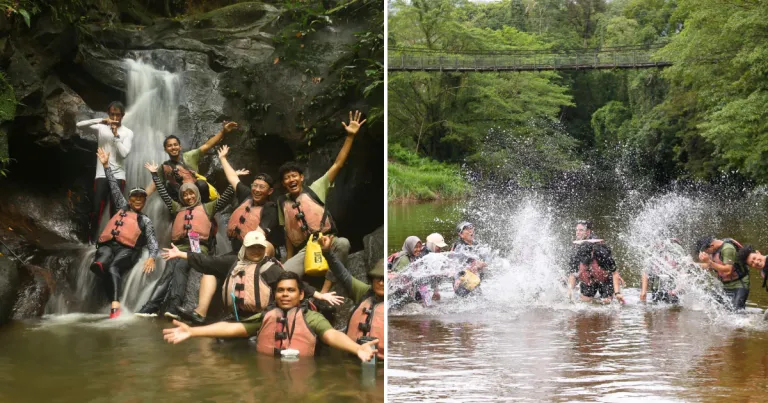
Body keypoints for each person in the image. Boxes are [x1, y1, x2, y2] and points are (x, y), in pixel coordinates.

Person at [162, 271, 379, 362]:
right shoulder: (266, 316)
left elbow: (331, 335)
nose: (285, 294)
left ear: (301, 294)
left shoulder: (311, 318)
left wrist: (357, 348)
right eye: (281, 290)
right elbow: (232, 329)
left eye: (291, 290)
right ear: (275, 294)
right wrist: (192, 331)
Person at [156, 230, 343, 325]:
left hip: (262, 317)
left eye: (259, 248)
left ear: (264, 249)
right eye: (252, 248)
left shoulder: (270, 268)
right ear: (245, 248)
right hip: (238, 316)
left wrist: (320, 296)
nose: (255, 251)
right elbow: (207, 261)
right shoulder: (233, 263)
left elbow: (296, 284)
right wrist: (181, 255)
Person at [278, 111, 366, 293]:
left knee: (343, 243)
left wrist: (350, 136)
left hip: (327, 241)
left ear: (301, 178)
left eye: (294, 175)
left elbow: (337, 164)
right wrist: (288, 258)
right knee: (282, 273)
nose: (291, 179)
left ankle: (325, 292)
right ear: (283, 183)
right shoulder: (282, 203)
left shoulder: (316, 188)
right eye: (287, 178)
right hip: (304, 250)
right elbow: (288, 232)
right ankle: (306, 293)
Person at [135, 161, 234, 317]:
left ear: (197, 194)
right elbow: (163, 193)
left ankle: (174, 306)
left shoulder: (208, 207)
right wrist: (154, 174)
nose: (188, 197)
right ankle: (151, 306)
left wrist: (235, 179)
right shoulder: (177, 208)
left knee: (181, 266)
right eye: (185, 194)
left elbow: (227, 196)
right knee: (168, 271)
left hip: (199, 248)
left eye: (191, 193)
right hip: (178, 247)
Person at [89, 148, 158, 319]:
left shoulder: (145, 220)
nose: (138, 201)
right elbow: (113, 186)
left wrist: (152, 257)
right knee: (102, 258)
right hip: (109, 244)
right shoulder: (121, 206)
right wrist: (106, 166)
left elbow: (152, 241)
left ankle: (115, 306)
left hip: (128, 250)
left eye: (141, 198)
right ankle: (100, 265)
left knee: (113, 267)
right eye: (135, 198)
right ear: (129, 199)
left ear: (144, 201)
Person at [76, 101, 134, 244]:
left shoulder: (128, 132)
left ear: (123, 115)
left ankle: (112, 240)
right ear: (108, 114)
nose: (115, 117)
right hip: (101, 174)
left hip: (119, 175)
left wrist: (115, 135)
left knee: (115, 211)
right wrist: (102, 120)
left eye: (118, 115)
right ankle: (92, 241)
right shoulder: (101, 128)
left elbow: (124, 154)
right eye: (112, 114)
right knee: (96, 209)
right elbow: (79, 125)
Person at [321, 235, 384, 360]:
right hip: (355, 356)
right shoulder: (364, 292)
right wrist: (327, 252)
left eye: (385, 279)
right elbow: (342, 274)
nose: (381, 283)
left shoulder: (398, 301)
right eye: (378, 278)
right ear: (372, 280)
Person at [145, 121, 238, 202]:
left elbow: (207, 145)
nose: (173, 147)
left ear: (180, 147)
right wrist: (139, 198)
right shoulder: (164, 167)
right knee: (168, 185)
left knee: (201, 184)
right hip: (180, 200)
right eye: (169, 146)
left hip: (199, 196)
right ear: (165, 149)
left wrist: (223, 131)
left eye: (175, 145)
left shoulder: (190, 156)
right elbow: (153, 186)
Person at [217, 145, 282, 253]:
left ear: (270, 191)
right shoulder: (247, 195)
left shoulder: (270, 209)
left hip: (254, 252)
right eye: (255, 185)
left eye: (261, 187)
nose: (257, 190)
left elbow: (259, 235)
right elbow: (233, 178)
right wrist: (223, 158)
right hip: (236, 248)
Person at [567, 220, 625, 304]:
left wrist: (617, 293)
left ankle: (608, 295)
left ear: (588, 232)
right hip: (588, 280)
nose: (577, 232)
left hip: (605, 280)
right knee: (585, 304)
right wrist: (569, 292)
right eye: (576, 230)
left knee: (607, 305)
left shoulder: (600, 250)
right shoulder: (575, 252)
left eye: (581, 230)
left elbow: (614, 272)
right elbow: (572, 274)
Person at [697, 236, 749, 310]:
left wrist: (709, 261)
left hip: (739, 284)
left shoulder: (728, 249)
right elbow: (710, 267)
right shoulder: (715, 250)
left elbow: (728, 270)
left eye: (707, 251)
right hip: (725, 285)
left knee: (738, 311)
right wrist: (693, 264)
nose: (707, 254)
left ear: (711, 246)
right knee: (713, 305)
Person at [640, 238, 685, 304]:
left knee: (675, 306)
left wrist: (676, 290)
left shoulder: (676, 249)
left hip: (674, 284)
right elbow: (645, 271)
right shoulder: (651, 250)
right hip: (658, 282)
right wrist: (643, 292)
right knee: (657, 304)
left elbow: (683, 273)